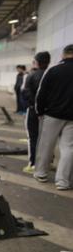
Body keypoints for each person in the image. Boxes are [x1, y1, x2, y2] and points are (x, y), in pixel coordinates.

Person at [34, 44, 73, 190]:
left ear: (64, 55)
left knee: (46, 145)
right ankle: (63, 181)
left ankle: (41, 173)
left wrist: (39, 111)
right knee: (69, 148)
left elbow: (41, 93)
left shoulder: (53, 70)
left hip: (52, 114)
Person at [21, 52, 50, 174]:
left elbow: (25, 92)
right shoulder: (51, 74)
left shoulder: (32, 75)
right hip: (50, 112)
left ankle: (33, 164)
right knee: (47, 138)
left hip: (33, 111)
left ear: (37, 62)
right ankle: (48, 162)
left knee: (33, 138)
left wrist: (34, 105)